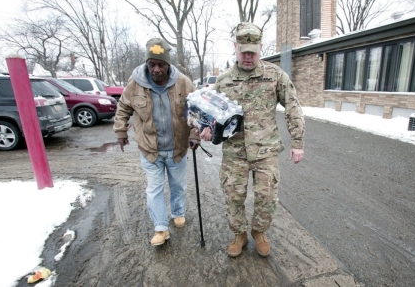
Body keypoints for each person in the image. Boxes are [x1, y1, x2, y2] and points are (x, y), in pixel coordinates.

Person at [199, 22, 305, 257]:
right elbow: (211, 114)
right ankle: (239, 234)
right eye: (243, 51)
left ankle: (259, 231)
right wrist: (206, 128)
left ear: (261, 48)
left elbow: (293, 106)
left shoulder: (275, 75)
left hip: (265, 150)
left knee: (267, 197)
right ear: (235, 47)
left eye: (253, 52)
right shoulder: (223, 80)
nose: (248, 57)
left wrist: (297, 142)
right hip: (234, 151)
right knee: (233, 197)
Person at [113, 37, 200, 246]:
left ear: (168, 64)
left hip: (177, 148)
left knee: (178, 185)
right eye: (152, 64)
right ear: (147, 64)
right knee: (154, 188)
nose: (157, 69)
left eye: (161, 64)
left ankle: (178, 212)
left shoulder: (183, 83)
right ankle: (160, 228)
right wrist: (121, 132)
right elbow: (124, 107)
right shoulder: (135, 84)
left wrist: (195, 132)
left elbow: (196, 109)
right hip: (150, 148)